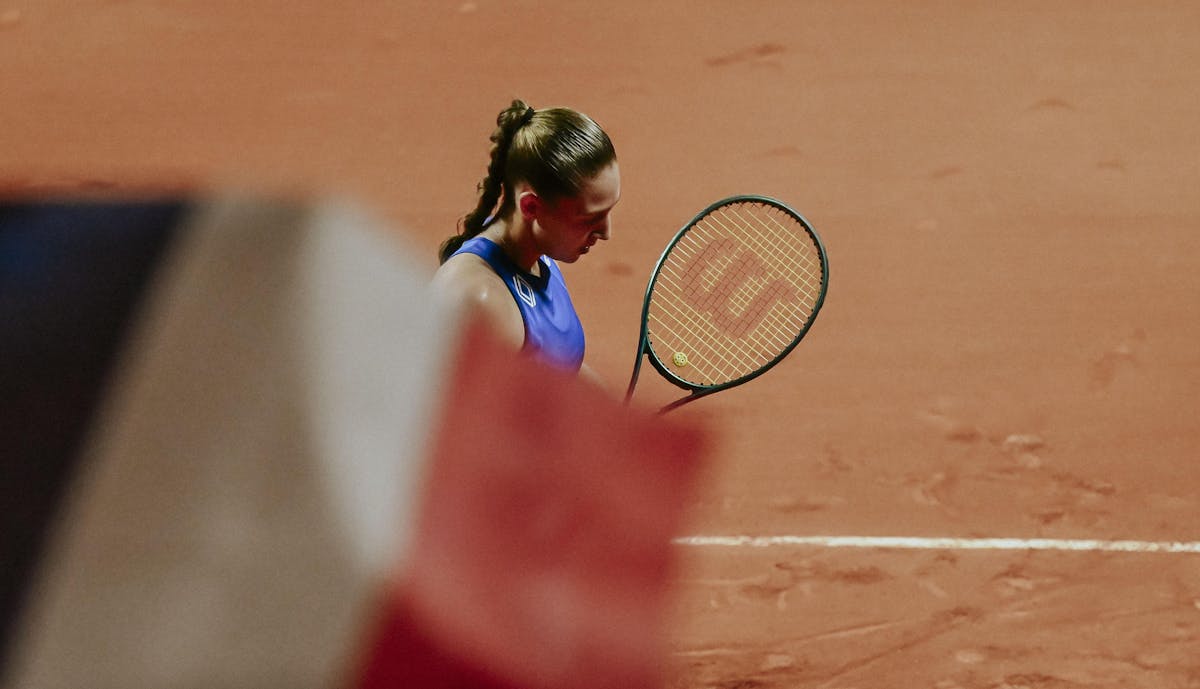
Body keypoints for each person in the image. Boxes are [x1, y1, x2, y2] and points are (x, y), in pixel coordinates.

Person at [432, 99, 620, 382]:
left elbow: (556, 366)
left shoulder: (533, 253)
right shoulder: (482, 302)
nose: (605, 232)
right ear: (531, 207)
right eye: (589, 218)